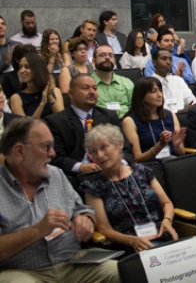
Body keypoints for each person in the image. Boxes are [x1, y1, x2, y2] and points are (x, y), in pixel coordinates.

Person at [0, 117, 120, 282]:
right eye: (46, 147)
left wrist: (85, 219)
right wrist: (37, 231)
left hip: (72, 264)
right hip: (24, 271)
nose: (52, 153)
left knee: (117, 271)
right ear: (19, 151)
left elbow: (83, 210)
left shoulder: (55, 174)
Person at [82, 124, 177, 253]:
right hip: (130, 247)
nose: (99, 155)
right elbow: (104, 230)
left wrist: (167, 221)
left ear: (119, 145)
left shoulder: (143, 171)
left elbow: (166, 203)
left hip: (161, 235)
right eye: (93, 151)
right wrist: (132, 241)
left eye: (104, 147)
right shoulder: (93, 186)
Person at [46, 73, 133, 175]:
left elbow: (126, 150)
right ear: (71, 94)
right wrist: (80, 167)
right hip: (78, 177)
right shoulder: (56, 122)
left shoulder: (109, 116)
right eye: (86, 88)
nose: (92, 92)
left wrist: (119, 164)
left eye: (95, 88)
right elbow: (55, 158)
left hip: (112, 171)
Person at [122, 77, 186, 162]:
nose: (159, 95)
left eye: (160, 90)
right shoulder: (130, 121)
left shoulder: (171, 115)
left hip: (172, 164)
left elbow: (182, 154)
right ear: (142, 96)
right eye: (154, 91)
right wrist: (160, 145)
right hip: (150, 168)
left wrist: (177, 145)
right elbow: (136, 159)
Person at [11, 52, 64, 119]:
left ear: (37, 69)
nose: (22, 70)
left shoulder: (55, 91)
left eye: (27, 67)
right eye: (20, 67)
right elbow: (25, 127)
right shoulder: (16, 98)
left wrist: (50, 97)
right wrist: (42, 104)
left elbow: (62, 120)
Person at [150, 49, 196, 114]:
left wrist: (195, 106)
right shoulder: (149, 83)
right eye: (163, 59)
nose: (168, 62)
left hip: (185, 118)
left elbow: (193, 101)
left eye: (170, 59)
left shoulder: (178, 80)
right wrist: (180, 112)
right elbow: (155, 111)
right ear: (154, 62)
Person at [92, 45, 134, 119]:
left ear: (114, 60)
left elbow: (135, 107)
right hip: (100, 125)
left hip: (126, 122)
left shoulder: (126, 82)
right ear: (93, 61)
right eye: (102, 55)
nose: (108, 57)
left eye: (111, 55)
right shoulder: (88, 84)